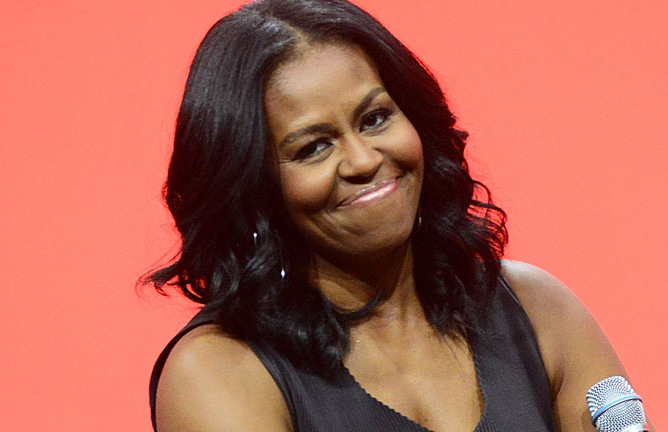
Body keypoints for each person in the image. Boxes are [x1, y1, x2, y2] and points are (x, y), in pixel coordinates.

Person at [146, 0, 642, 430]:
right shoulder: (218, 373)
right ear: (252, 187)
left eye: (375, 119)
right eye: (314, 147)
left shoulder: (536, 311)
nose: (363, 160)